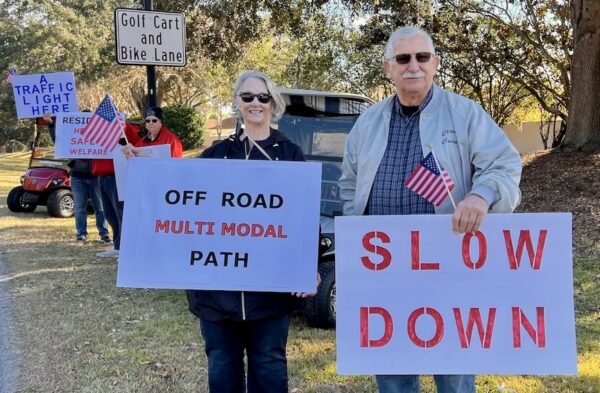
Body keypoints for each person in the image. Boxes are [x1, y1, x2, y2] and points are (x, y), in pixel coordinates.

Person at [339, 26, 522, 393]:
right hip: (383, 270)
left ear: (435, 63)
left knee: (453, 376)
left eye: (422, 57)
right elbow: (349, 184)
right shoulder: (367, 123)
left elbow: (504, 165)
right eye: (403, 58)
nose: (413, 66)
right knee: (393, 375)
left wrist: (479, 196)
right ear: (388, 68)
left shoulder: (465, 114)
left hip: (448, 268)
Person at [186, 70, 318, 393]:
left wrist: (308, 267)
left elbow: (305, 217)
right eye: (248, 97)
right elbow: (179, 192)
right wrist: (141, 167)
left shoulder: (290, 155)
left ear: (274, 103)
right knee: (222, 371)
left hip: (270, 295)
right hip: (218, 296)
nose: (255, 103)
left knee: (270, 370)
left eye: (263, 97)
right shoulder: (216, 155)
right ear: (238, 103)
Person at [93, 121, 142, 258]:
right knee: (109, 213)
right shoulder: (96, 129)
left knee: (120, 212)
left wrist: (121, 139)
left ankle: (125, 247)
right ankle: (118, 245)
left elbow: (137, 147)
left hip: (118, 175)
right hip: (101, 175)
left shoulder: (125, 127)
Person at [68, 158, 111, 245]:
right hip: (77, 175)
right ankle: (81, 235)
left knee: (100, 207)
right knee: (79, 208)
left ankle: (104, 234)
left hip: (96, 175)